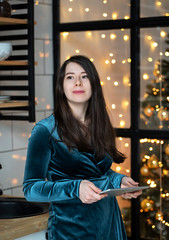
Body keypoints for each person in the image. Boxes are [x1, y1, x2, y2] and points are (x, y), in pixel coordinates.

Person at [23, 55, 142, 240]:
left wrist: (119, 181)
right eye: (70, 77)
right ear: (61, 86)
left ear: (94, 84)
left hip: (109, 225)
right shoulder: (45, 130)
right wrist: (75, 188)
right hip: (70, 231)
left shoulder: (99, 124)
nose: (77, 82)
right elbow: (30, 189)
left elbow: (97, 172)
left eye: (84, 76)